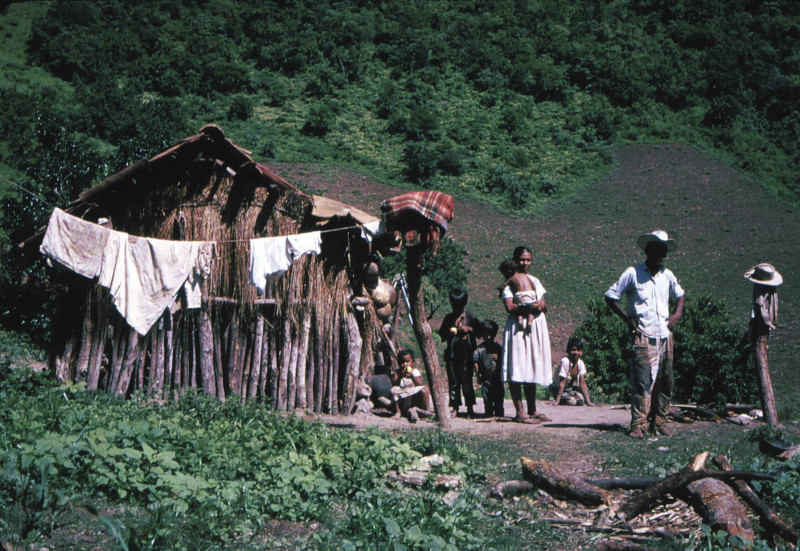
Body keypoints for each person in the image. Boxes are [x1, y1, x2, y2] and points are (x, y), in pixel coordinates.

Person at [605, 230, 685, 439]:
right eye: (657, 250)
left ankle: (659, 421)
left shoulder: (667, 276)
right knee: (642, 381)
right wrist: (627, 319)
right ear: (648, 251)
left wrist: (676, 314)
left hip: (665, 335)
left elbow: (680, 295)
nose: (660, 255)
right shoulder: (632, 273)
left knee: (666, 380)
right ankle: (638, 424)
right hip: (643, 333)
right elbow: (611, 296)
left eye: (663, 251)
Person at [500, 246, 552, 424]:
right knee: (517, 364)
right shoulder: (510, 280)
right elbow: (509, 306)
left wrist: (539, 306)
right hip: (517, 327)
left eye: (528, 260)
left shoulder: (534, 280)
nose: (525, 263)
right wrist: (527, 307)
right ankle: (520, 411)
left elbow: (543, 302)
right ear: (515, 260)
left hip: (535, 326)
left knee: (531, 364)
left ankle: (532, 408)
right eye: (522, 260)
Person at [745, 262, 783, 426]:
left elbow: (762, 310)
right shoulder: (768, 292)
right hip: (762, 328)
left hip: (761, 329)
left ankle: (771, 419)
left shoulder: (762, 294)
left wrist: (764, 322)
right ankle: (771, 418)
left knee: (761, 361)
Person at [438, 288, 480, 418]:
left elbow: (479, 332)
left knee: (467, 381)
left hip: (467, 356)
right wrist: (450, 333)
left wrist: (469, 329)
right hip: (452, 356)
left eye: (459, 307)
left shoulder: (470, 317)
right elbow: (441, 335)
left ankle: (470, 407)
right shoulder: (449, 318)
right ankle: (455, 406)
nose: (456, 309)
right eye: (454, 306)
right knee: (454, 382)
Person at [550, 337, 596, 407]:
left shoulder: (580, 363)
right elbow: (562, 382)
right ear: (568, 351)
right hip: (557, 389)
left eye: (578, 350)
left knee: (581, 401)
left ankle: (573, 397)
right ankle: (559, 398)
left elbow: (582, 383)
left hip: (569, 390)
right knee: (572, 402)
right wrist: (557, 401)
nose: (576, 353)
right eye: (573, 350)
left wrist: (588, 402)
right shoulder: (565, 361)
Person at [390, 349, 433, 423]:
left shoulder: (414, 371)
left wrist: (412, 376)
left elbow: (420, 384)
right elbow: (395, 384)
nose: (405, 364)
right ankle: (398, 412)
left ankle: (426, 411)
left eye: (407, 361)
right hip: (403, 397)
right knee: (393, 390)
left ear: (412, 361)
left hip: (413, 397)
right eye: (402, 362)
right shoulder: (397, 372)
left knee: (424, 390)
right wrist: (400, 376)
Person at [472, 320, 505, 418]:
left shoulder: (498, 348)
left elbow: (503, 360)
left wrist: (499, 359)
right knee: (487, 398)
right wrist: (478, 375)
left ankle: (499, 413)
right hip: (486, 378)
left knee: (499, 398)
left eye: (492, 335)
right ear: (482, 334)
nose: (489, 337)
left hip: (498, 378)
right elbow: (475, 361)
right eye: (486, 335)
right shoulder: (480, 349)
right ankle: (488, 413)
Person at [498, 258, 537, 334]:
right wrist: (534, 292)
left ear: (508, 271)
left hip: (521, 296)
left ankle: (520, 320)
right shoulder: (525, 276)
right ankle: (530, 321)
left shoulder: (511, 278)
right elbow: (532, 283)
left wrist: (500, 289)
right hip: (531, 294)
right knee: (532, 311)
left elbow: (504, 285)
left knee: (519, 311)